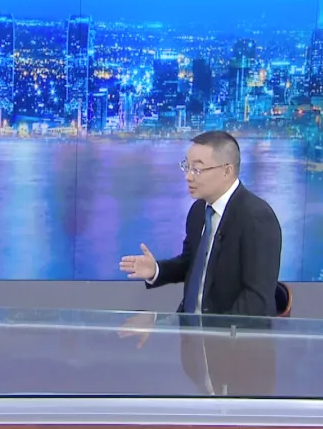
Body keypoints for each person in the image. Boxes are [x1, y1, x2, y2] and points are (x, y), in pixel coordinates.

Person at [119, 130, 282, 318]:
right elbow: (191, 263)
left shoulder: (257, 218)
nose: (188, 176)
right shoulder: (198, 211)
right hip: (190, 328)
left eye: (197, 169)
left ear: (227, 171)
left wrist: (214, 331)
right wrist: (156, 270)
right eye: (186, 167)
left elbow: (257, 300)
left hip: (231, 332)